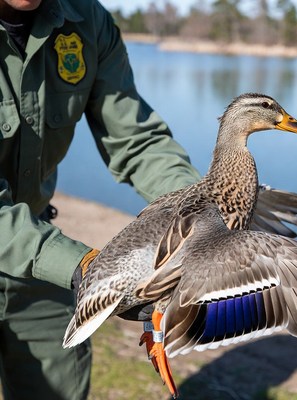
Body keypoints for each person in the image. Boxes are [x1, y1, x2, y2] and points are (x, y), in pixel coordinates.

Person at [0, 0, 201, 399]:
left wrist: (198, 217)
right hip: (50, 257)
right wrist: (89, 268)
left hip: (36, 269)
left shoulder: (87, 21)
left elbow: (138, 141)